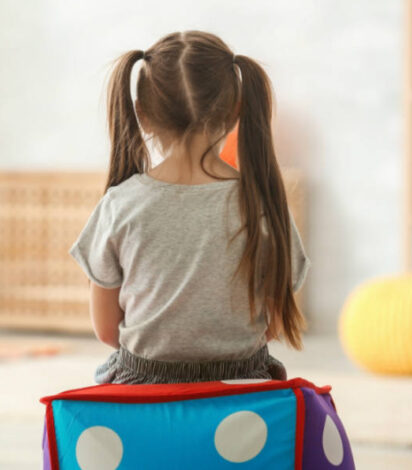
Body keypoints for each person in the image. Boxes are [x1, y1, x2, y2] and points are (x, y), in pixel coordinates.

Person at [70, 31, 309, 384]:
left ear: (141, 114)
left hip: (144, 390)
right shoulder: (264, 204)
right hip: (242, 389)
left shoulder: (120, 205)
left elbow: (107, 331)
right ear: (236, 111)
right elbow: (272, 326)